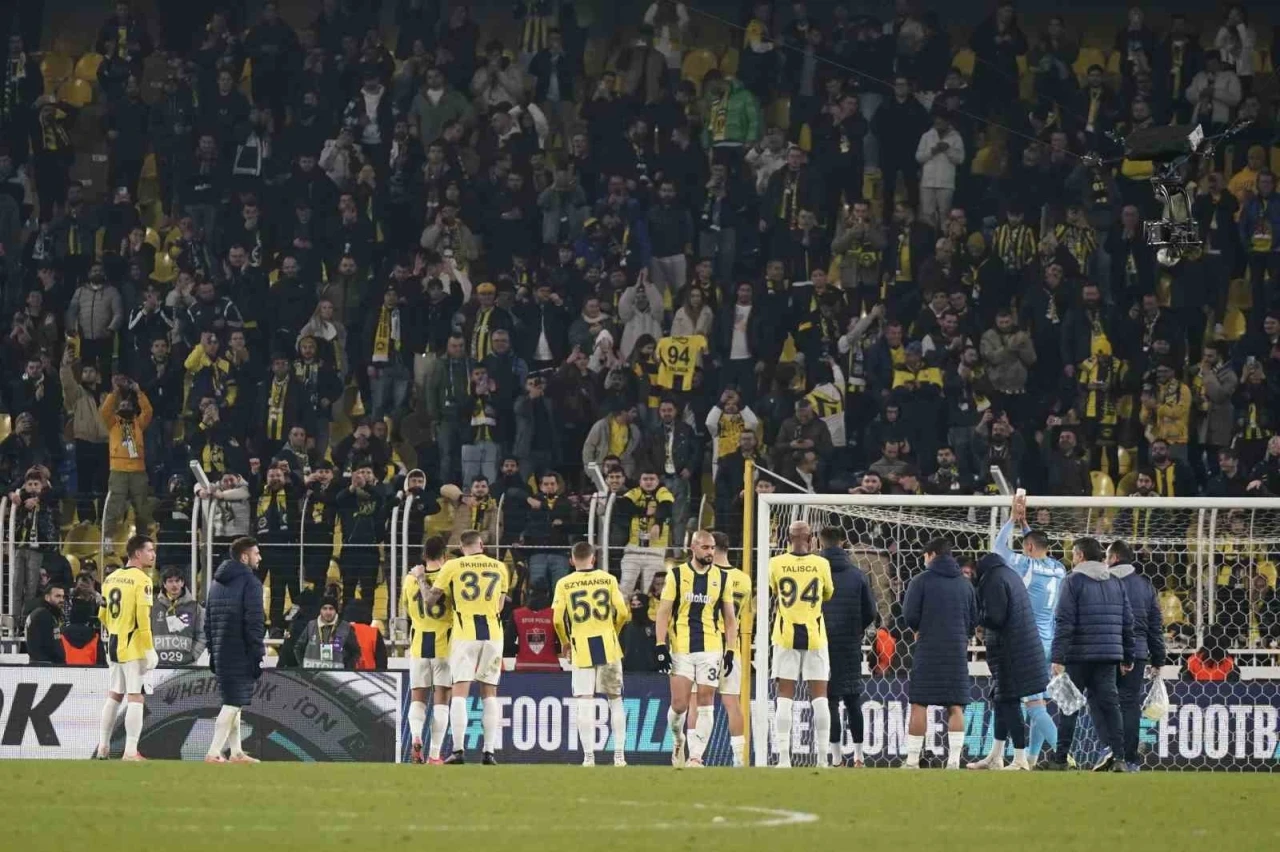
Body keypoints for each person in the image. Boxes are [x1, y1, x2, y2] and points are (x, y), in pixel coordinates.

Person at [976, 492, 1066, 766]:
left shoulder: (1025, 565)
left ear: (1027, 548)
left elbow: (998, 548)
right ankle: (1032, 759)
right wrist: (1026, 525)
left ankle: (1067, 757)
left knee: (1033, 706)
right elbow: (1034, 543)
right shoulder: (1059, 568)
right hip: (1052, 641)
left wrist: (1013, 520)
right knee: (1041, 704)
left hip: (1028, 643)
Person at [1048, 536, 1135, 772]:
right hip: (1108, 655)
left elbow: (1064, 621)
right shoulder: (1116, 582)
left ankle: (1060, 759)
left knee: (1069, 707)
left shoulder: (1072, 581)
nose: (1073, 559)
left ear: (1080, 556)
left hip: (1078, 655)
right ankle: (1120, 758)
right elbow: (1128, 622)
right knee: (1110, 706)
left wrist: (1057, 657)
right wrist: (1128, 656)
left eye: (1074, 554)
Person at [425, 529, 510, 765]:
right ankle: (489, 752)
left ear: (462, 548)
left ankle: (459, 750)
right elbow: (500, 605)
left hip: (465, 634)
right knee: (489, 693)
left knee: (460, 692)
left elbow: (431, 600)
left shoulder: (453, 566)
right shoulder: (500, 567)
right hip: (493, 634)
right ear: (481, 545)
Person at [655, 530, 738, 768]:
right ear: (693, 548)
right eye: (705, 548)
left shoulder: (723, 578)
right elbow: (663, 612)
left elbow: (730, 618)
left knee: (705, 700)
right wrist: (660, 645)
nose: (710, 552)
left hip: (711, 648)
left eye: (712, 548)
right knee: (679, 705)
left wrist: (730, 650)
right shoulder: (677, 575)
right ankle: (677, 739)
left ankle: (696, 757)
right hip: (681, 648)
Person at [552, 541, 631, 767]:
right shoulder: (608, 579)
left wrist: (565, 642)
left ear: (571, 560)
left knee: (584, 701)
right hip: (607, 644)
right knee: (615, 700)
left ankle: (588, 757)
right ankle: (619, 757)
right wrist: (614, 632)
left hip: (582, 645)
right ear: (593, 558)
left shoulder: (564, 583)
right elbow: (623, 612)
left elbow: (557, 619)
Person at [967, 553, 1049, 771]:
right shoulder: (1008, 574)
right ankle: (996, 756)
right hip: (1019, 646)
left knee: (1010, 701)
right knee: (1002, 699)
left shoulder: (992, 580)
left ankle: (1020, 759)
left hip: (1010, 650)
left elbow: (996, 617)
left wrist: (975, 616)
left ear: (976, 568)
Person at [902, 537, 977, 769]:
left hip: (928, 648)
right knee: (956, 705)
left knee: (919, 704)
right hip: (956, 650)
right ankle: (953, 761)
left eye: (925, 556)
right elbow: (974, 619)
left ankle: (912, 761)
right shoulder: (965, 584)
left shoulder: (920, 581)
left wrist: (919, 628)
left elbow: (909, 615)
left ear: (932, 554)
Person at [768, 521, 835, 768]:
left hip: (785, 635)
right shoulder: (822, 563)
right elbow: (828, 593)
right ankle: (823, 759)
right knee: (820, 698)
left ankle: (784, 759)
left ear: (787, 538)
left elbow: (773, 590)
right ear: (811, 538)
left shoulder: (775, 563)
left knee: (784, 697)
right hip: (815, 636)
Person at [203, 536, 266, 764]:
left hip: (221, 651)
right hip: (241, 651)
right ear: (244, 557)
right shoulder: (251, 583)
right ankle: (213, 752)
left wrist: (213, 650)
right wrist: (257, 653)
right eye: (256, 553)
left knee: (233, 701)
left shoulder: (216, 583)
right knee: (232, 704)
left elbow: (208, 622)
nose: (260, 558)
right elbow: (254, 621)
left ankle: (236, 752)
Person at [1105, 539, 1166, 772]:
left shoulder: (1104, 582)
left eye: (1106, 557)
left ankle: (1112, 752)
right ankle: (1130, 759)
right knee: (1129, 704)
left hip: (1109, 650)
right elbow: (1155, 627)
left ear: (1114, 558)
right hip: (1138, 653)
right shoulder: (1145, 587)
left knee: (1105, 702)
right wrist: (1158, 659)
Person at [818, 526, 877, 767]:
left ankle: (835, 758)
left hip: (822, 643)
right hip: (850, 643)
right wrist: (857, 629)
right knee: (853, 700)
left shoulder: (816, 573)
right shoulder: (857, 575)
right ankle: (859, 757)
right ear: (843, 542)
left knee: (830, 700)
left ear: (820, 543)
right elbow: (871, 610)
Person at [97, 534, 159, 761]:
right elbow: (143, 618)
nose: (153, 554)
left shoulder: (110, 578)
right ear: (138, 554)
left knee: (114, 694)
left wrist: (116, 629)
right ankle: (131, 751)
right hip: (133, 645)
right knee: (135, 697)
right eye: (149, 550)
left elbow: (102, 614)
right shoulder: (142, 580)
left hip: (113, 642)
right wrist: (149, 648)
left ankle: (103, 746)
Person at [402, 536, 454, 765]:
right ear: (445, 555)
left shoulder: (410, 579)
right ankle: (434, 754)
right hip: (445, 645)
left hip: (419, 644)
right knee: (442, 700)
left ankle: (416, 736)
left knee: (418, 698)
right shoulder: (449, 578)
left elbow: (407, 609)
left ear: (424, 555)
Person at [150, 566, 205, 667]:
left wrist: (193, 656)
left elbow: (202, 634)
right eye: (170, 581)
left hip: (187, 667)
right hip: (157, 667)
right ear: (164, 584)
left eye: (177, 581)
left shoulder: (195, 607)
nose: (174, 584)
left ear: (182, 583)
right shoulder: (152, 607)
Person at [293, 595, 359, 669]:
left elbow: (355, 652)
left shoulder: (345, 627)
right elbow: (298, 648)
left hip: (336, 675)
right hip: (312, 674)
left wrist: (347, 669)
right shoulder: (311, 625)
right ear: (320, 610)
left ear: (336, 610)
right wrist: (303, 666)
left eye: (331, 609)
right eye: (324, 608)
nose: (328, 612)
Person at [24, 583, 66, 664]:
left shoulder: (39, 613)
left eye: (62, 596)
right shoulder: (43, 615)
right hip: (45, 665)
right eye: (57, 596)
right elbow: (51, 645)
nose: (62, 600)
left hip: (38, 663)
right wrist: (60, 662)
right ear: (47, 597)